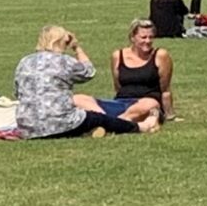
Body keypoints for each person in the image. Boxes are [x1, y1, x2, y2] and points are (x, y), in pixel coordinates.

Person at [13, 27, 157, 138]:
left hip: (27, 128)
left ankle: (90, 131)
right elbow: (89, 72)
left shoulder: (24, 61)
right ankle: (140, 127)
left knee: (84, 113)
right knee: (97, 118)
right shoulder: (64, 61)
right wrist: (76, 48)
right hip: (59, 124)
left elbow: (17, 92)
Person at [110, 20, 177, 123]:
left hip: (148, 104)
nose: (148, 41)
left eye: (151, 37)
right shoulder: (117, 56)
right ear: (132, 37)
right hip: (122, 102)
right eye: (143, 37)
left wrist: (170, 114)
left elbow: (165, 90)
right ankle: (119, 118)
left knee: (148, 105)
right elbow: (118, 86)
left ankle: (116, 121)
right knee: (81, 99)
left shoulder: (160, 55)